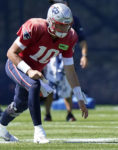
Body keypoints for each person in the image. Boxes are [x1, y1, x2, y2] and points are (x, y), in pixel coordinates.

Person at [0, 3, 88, 143]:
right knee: (34, 85)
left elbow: (70, 70)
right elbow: (11, 53)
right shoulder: (35, 27)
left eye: (67, 25)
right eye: (61, 25)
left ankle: (1, 128)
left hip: (35, 71)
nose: (65, 28)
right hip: (17, 65)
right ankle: (39, 132)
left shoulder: (70, 37)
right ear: (51, 22)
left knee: (19, 105)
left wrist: (79, 96)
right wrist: (29, 70)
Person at [43, 0, 88, 122]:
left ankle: (69, 113)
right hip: (51, 55)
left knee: (67, 84)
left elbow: (82, 39)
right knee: (49, 86)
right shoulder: (46, 21)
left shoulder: (73, 24)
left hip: (65, 53)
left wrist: (84, 55)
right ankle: (47, 114)